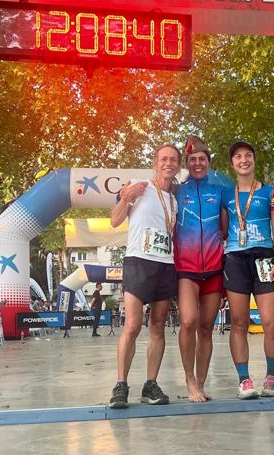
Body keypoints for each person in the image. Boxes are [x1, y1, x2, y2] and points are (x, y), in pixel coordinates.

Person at [108, 144, 180, 409]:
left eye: (173, 159)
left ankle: (150, 384)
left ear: (178, 165)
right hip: (139, 261)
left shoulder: (175, 198)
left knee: (158, 325)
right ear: (155, 162)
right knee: (133, 325)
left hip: (166, 264)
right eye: (164, 159)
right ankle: (121, 385)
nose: (168, 163)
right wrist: (127, 197)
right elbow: (114, 221)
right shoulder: (138, 186)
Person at [221, 141, 274, 399]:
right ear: (232, 163)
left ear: (254, 160)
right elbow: (223, 229)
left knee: (271, 323)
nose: (243, 160)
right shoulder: (226, 194)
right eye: (237, 156)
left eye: (248, 155)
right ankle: (244, 380)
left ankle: (271, 377)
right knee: (239, 323)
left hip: (265, 258)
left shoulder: (272, 192)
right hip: (235, 259)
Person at [174, 136, 226, 402]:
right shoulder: (177, 191)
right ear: (187, 163)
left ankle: (202, 383)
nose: (197, 163)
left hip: (215, 268)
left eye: (201, 159)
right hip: (186, 267)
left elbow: (228, 227)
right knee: (188, 321)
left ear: (208, 162)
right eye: (192, 160)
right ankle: (189, 379)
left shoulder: (219, 192)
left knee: (206, 327)